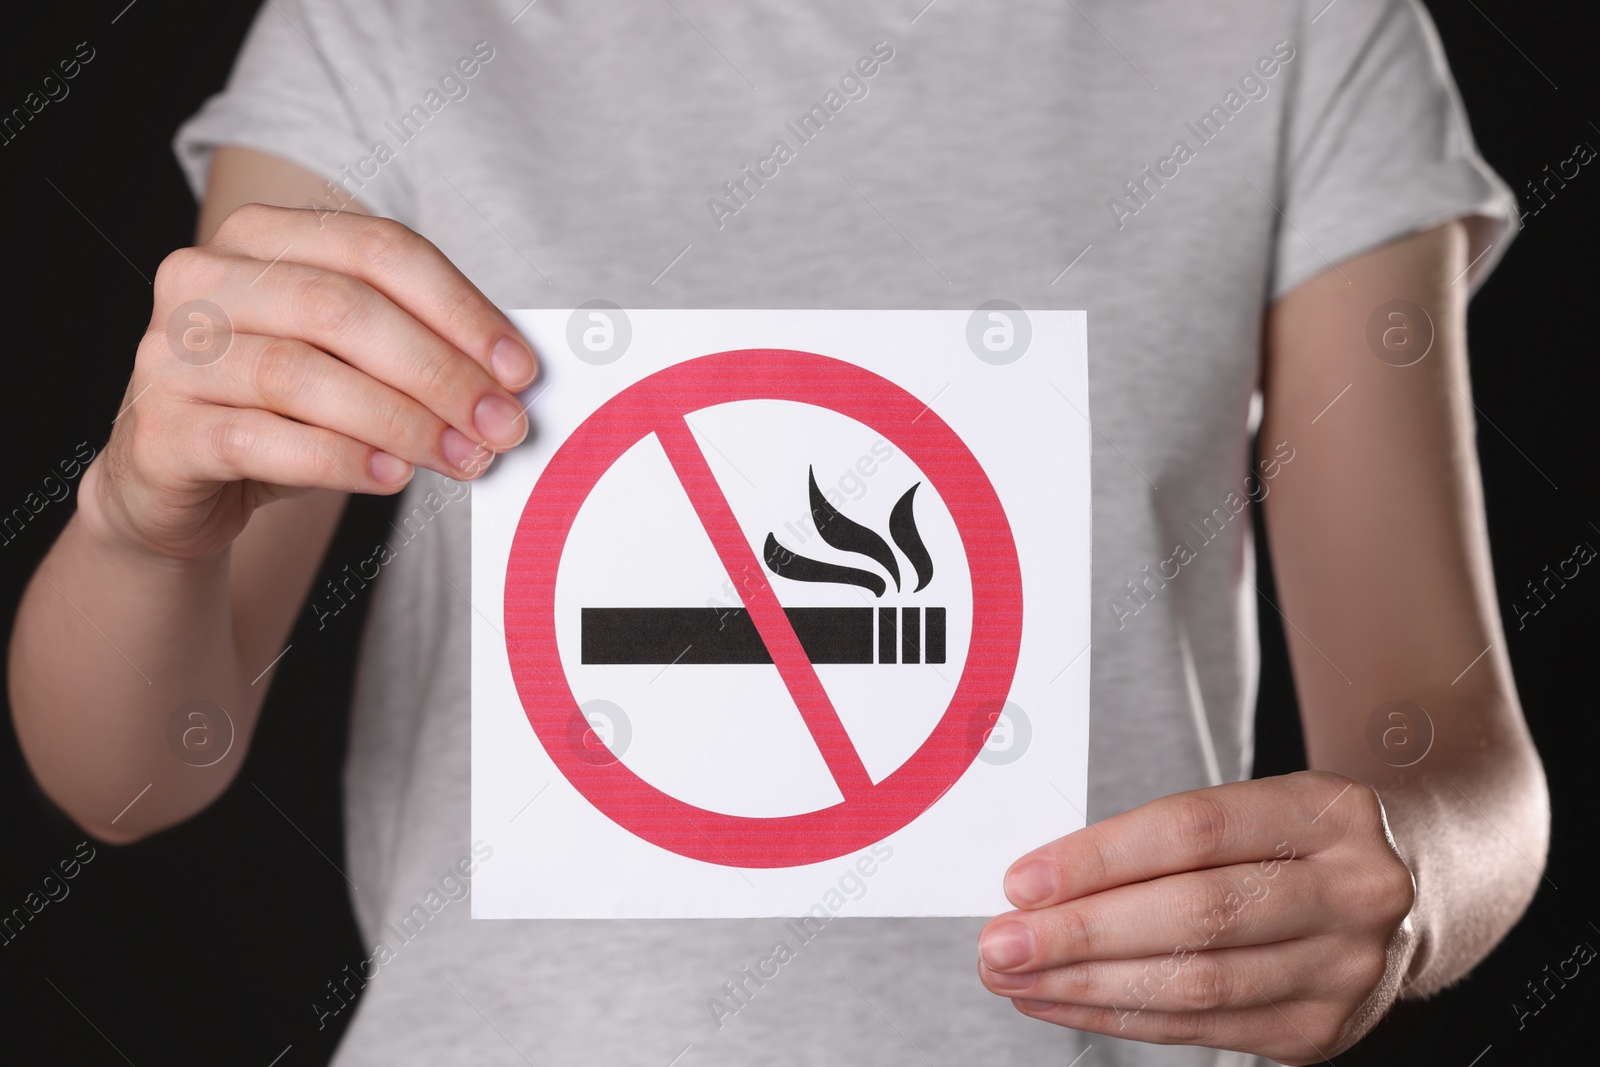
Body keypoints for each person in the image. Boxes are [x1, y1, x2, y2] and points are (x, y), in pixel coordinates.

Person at [7, 1, 1549, 1064]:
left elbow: (1450, 750)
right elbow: (141, 766)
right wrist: (142, 522)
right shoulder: (393, 26)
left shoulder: (1295, 31)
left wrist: (1407, 884)